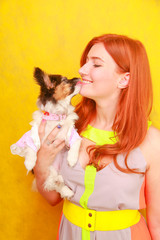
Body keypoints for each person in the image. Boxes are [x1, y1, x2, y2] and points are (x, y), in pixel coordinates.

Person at [34, 34, 160, 240]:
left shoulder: (153, 143)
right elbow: (52, 198)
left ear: (124, 79)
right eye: (85, 62)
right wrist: (42, 162)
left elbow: (158, 225)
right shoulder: (68, 126)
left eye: (96, 64)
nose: (82, 70)